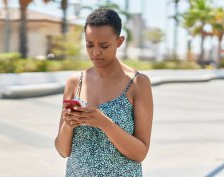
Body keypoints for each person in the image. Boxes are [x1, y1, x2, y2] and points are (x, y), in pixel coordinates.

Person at [54, 8, 154, 176]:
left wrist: (105, 123)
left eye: (104, 45)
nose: (95, 52)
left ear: (119, 41)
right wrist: (69, 125)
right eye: (89, 44)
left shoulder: (138, 83)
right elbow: (62, 151)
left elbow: (140, 153)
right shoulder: (74, 83)